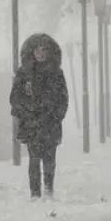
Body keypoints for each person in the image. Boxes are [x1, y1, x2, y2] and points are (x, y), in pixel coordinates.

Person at [10, 33, 69, 200]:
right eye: (37, 50)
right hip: (31, 123)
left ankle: (49, 189)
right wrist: (25, 112)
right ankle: (35, 193)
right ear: (32, 52)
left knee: (50, 159)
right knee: (34, 160)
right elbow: (15, 97)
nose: (41, 53)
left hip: (51, 123)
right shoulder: (24, 73)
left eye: (44, 50)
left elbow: (63, 98)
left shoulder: (56, 73)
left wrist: (56, 116)